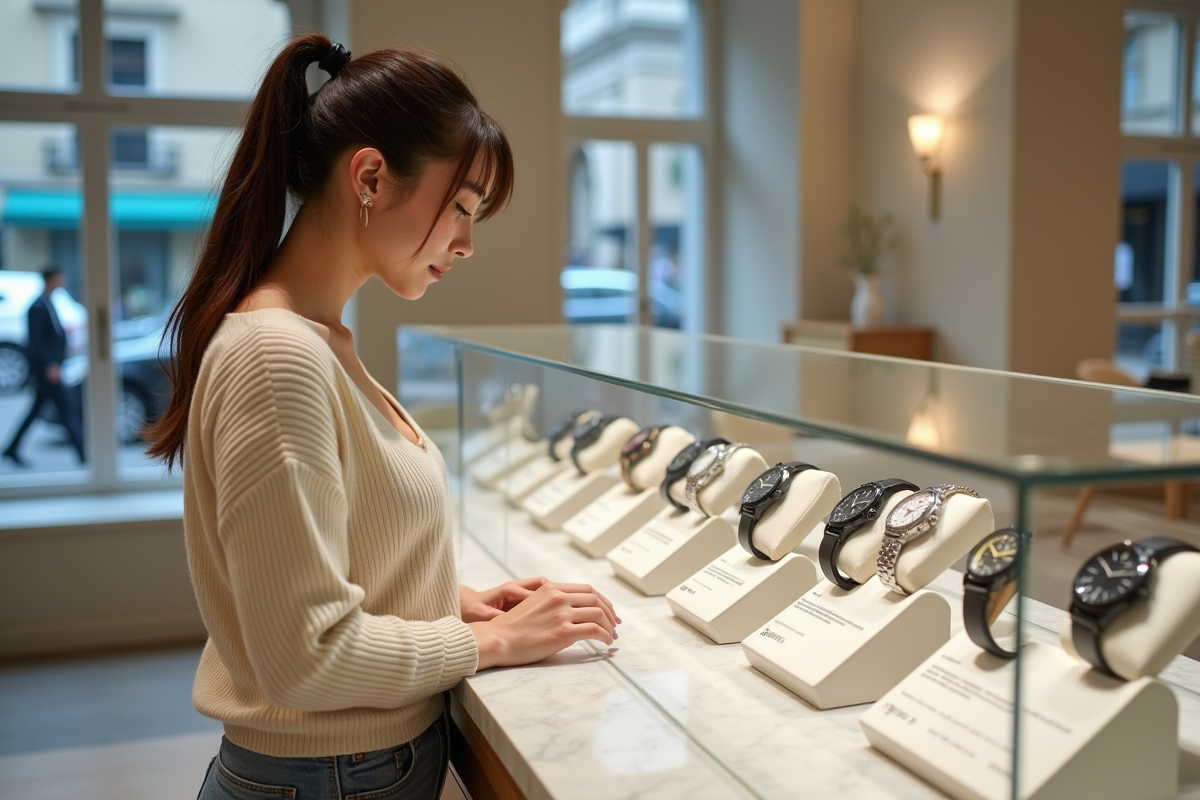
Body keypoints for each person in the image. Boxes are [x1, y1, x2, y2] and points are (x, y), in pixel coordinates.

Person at [142, 34, 620, 800]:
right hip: (327, 777)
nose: (465, 244)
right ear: (369, 176)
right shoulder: (278, 355)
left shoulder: (320, 340)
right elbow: (303, 656)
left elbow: (332, 567)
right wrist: (489, 639)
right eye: (461, 207)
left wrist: (450, 601)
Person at [2, 265, 86, 467]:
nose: (63, 281)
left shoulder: (48, 302)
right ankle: (84, 456)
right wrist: (50, 365)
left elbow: (52, 336)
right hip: (47, 371)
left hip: (53, 368)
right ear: (52, 279)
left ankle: (11, 448)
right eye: (60, 277)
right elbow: (36, 341)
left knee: (36, 411)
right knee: (67, 410)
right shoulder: (38, 307)